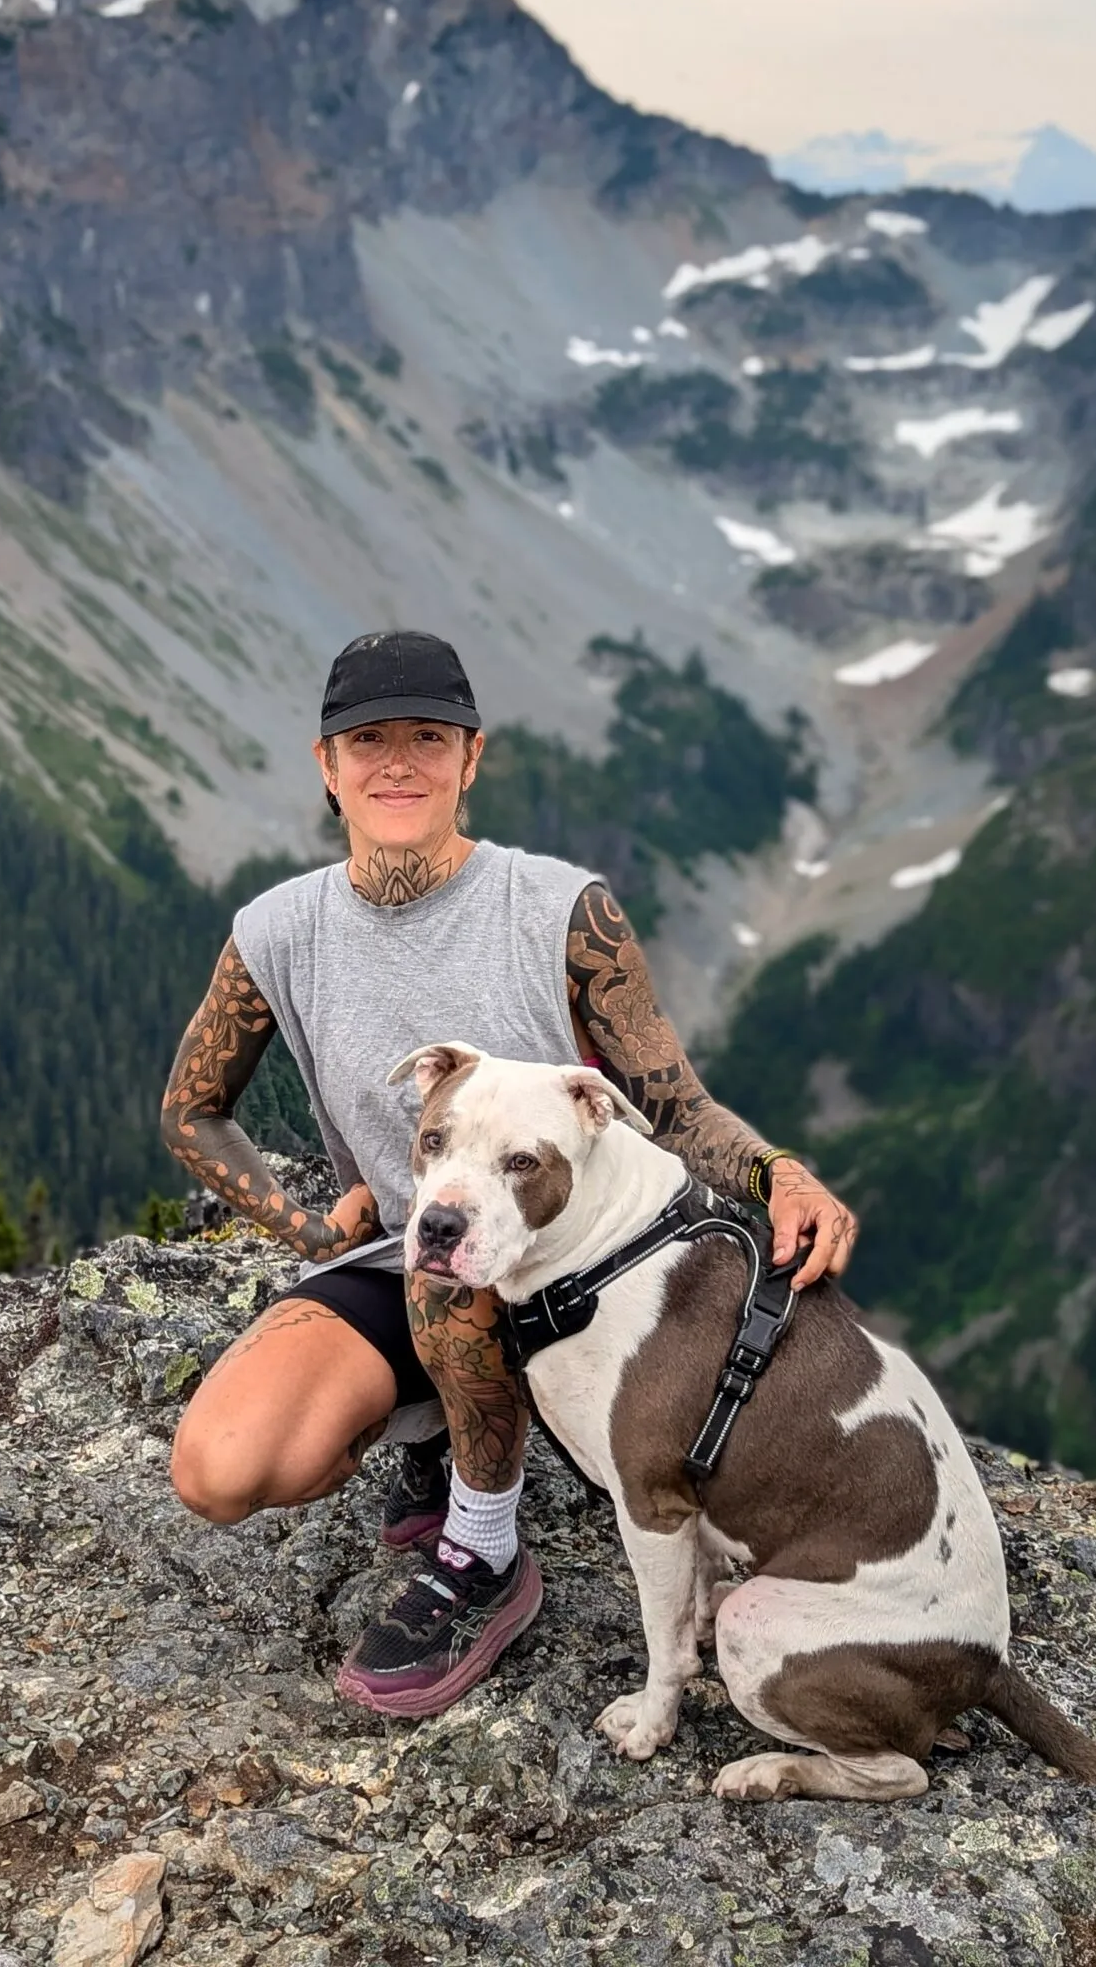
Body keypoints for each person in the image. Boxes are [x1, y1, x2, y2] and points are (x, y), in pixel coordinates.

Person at [161, 628, 858, 1717]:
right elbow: (190, 1112)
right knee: (222, 1469)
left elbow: (671, 1105)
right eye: (368, 740)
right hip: (422, 1253)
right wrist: (308, 1229)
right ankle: (443, 1427)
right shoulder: (277, 932)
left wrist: (780, 1175)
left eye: (427, 738)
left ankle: (482, 1550)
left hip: (582, 1275)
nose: (398, 762)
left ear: (470, 757)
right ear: (326, 764)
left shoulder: (561, 909)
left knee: (454, 1271)